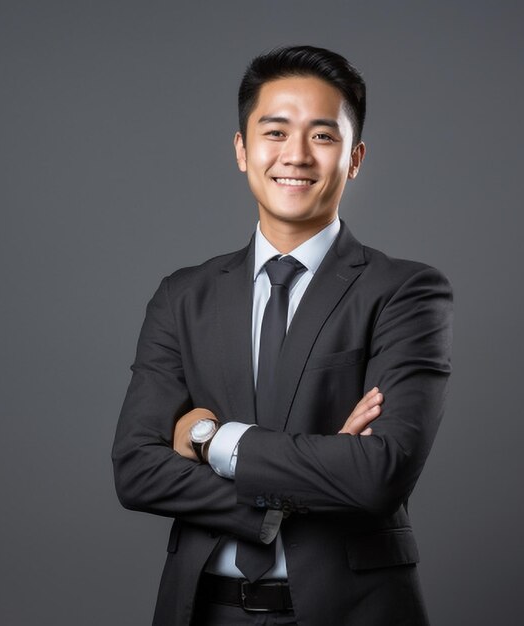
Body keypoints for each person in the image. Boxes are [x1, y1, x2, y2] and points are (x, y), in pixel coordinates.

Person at [112, 45, 453, 626]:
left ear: (355, 158)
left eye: (323, 136)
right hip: (201, 611)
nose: (294, 155)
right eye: (274, 132)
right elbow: (136, 469)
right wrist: (290, 492)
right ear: (242, 150)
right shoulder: (182, 296)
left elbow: (379, 473)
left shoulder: (406, 292)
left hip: (352, 612)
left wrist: (210, 440)